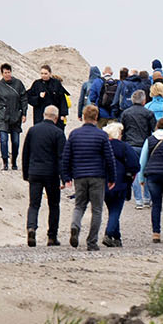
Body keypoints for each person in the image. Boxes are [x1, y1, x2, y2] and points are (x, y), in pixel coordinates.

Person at [62, 104, 117, 252]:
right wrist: (112, 178)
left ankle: (75, 226)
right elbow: (109, 158)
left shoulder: (74, 134)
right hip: (97, 176)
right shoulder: (102, 135)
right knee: (97, 209)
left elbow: (66, 157)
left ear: (83, 117)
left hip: (79, 176)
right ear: (96, 117)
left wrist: (66, 176)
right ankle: (92, 242)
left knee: (79, 205)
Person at [20, 106, 67, 247]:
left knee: (34, 204)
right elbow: (61, 158)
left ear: (44, 115)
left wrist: (26, 173)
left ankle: (31, 228)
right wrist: (64, 177)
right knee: (53, 205)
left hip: (34, 172)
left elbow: (25, 153)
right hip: (51, 174)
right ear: (56, 118)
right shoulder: (58, 133)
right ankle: (52, 236)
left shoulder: (33, 130)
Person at [102, 121, 138, 248]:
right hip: (120, 182)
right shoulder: (124, 147)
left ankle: (117, 238)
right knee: (116, 210)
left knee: (112, 209)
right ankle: (108, 233)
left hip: (104, 182)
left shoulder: (103, 146)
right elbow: (134, 165)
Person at [119, 90, 155, 207]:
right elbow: (154, 129)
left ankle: (138, 199)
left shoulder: (125, 113)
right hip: (145, 144)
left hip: (130, 145)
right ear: (144, 100)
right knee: (146, 171)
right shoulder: (148, 113)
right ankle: (147, 198)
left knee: (133, 172)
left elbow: (122, 130)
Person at [0, 63, 27, 169]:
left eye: (9, 72)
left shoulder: (18, 84)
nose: (7, 74)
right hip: (2, 117)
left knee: (15, 141)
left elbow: (24, 99)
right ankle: (5, 161)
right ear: (2, 73)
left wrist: (24, 113)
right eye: (5, 72)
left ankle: (14, 161)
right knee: (3, 140)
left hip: (16, 116)